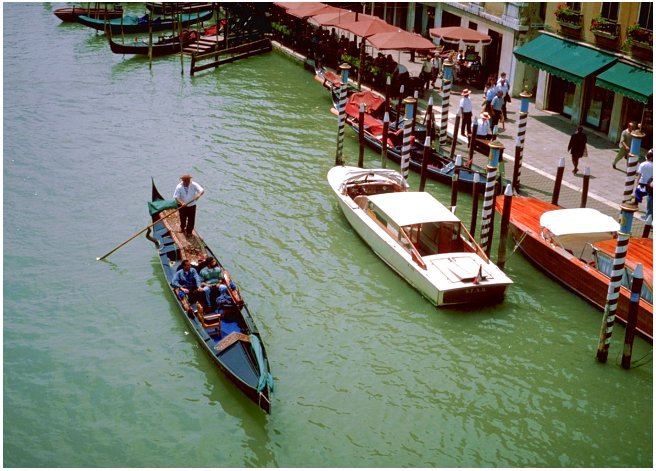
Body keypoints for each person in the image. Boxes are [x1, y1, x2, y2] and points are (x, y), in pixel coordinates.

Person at [635, 148, 653, 220]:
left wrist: (637, 182)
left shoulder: (642, 164)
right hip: (649, 183)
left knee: (638, 195)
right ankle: (648, 212)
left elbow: (639, 174)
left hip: (642, 182)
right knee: (649, 198)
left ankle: (635, 206)